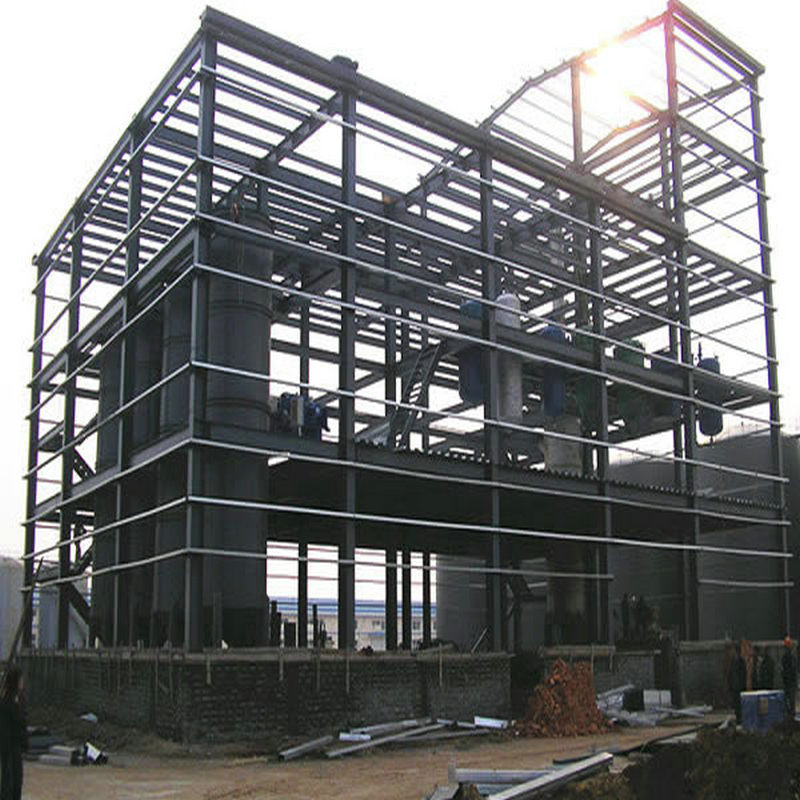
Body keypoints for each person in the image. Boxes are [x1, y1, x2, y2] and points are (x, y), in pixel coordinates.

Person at [0, 666, 28, 800]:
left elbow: (22, 722)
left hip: (17, 745)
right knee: (8, 781)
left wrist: (24, 741)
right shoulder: (5, 702)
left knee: (17, 779)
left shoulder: (20, 699)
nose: (22, 682)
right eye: (20, 679)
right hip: (8, 746)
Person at [727, 640, 747, 725]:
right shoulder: (733, 661)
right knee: (736, 704)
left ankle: (740, 719)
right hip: (735, 687)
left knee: (739, 705)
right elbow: (730, 674)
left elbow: (743, 675)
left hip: (739, 687)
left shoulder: (740, 661)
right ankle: (738, 718)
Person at [782, 636, 797, 719]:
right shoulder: (790, 657)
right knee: (790, 700)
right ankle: (791, 715)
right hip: (790, 681)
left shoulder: (788, 657)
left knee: (789, 700)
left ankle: (790, 715)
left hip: (788, 681)